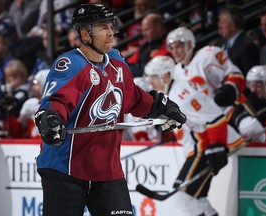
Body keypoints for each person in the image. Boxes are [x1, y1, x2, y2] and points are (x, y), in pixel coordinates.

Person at [33, 4, 187, 216]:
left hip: (106, 170)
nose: (111, 32)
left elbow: (132, 98)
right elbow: (57, 101)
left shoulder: (117, 62)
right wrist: (50, 118)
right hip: (64, 167)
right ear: (85, 33)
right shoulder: (71, 64)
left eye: (111, 26)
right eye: (103, 27)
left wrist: (158, 108)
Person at [144, 55, 242, 215]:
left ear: (167, 76)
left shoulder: (181, 95)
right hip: (201, 147)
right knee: (198, 199)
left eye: (154, 77)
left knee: (182, 198)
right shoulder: (172, 93)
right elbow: (194, 123)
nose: (150, 82)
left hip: (206, 147)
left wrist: (217, 146)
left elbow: (214, 116)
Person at [166, 26, 266, 142]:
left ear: (189, 44)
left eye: (178, 46)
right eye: (172, 48)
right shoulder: (176, 72)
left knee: (250, 127)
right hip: (205, 119)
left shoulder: (208, 55)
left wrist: (230, 88)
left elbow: (234, 73)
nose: (174, 52)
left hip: (228, 109)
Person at [217, 6, 259, 76]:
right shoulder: (221, 43)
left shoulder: (247, 46)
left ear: (233, 25)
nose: (219, 26)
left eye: (223, 22)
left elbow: (251, 77)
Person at [126, 12, 171, 77]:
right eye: (143, 30)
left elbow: (154, 67)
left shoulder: (168, 42)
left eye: (146, 30)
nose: (144, 34)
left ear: (158, 28)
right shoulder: (144, 46)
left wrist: (138, 67)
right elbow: (128, 65)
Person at [0, 59, 30, 138]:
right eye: (10, 76)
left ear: (23, 76)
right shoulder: (2, 89)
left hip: (17, 126)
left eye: (15, 75)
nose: (12, 79)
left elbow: (13, 103)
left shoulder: (24, 91)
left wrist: (9, 89)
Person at [18, 69, 49, 138]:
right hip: (31, 146)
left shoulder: (57, 105)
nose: (33, 87)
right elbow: (19, 128)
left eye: (36, 83)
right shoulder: (31, 104)